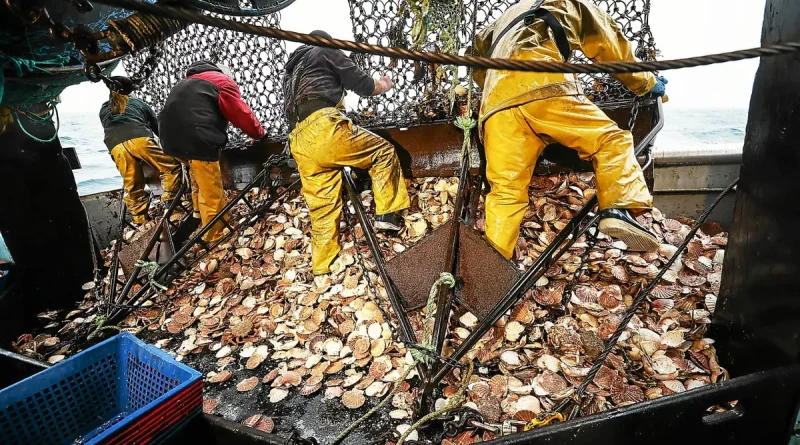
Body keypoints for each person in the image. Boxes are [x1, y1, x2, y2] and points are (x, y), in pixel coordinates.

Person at [473, 0, 668, 259]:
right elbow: (607, 43)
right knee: (611, 141)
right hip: (544, 88)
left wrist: (496, 90)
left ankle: (492, 276)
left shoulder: (505, 17)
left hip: (496, 110)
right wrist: (645, 82)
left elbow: (476, 58)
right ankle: (617, 208)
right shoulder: (570, 1)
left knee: (505, 195)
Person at [283, 30, 411, 275]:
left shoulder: (291, 73)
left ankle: (323, 267)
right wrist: (385, 83)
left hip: (298, 140)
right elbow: (364, 86)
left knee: (321, 209)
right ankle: (388, 214)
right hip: (324, 127)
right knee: (382, 152)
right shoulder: (324, 50)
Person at [159, 60, 266, 244]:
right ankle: (214, 236)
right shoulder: (222, 82)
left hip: (171, 142)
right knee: (212, 192)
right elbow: (241, 113)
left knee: (197, 176)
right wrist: (258, 133)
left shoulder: (186, 83)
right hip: (198, 139)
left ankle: (198, 215)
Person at [99, 76, 182, 224]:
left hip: (116, 147)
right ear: (130, 92)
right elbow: (158, 129)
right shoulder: (139, 103)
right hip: (139, 138)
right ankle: (169, 199)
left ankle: (140, 219)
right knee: (170, 166)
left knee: (132, 184)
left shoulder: (104, 108)